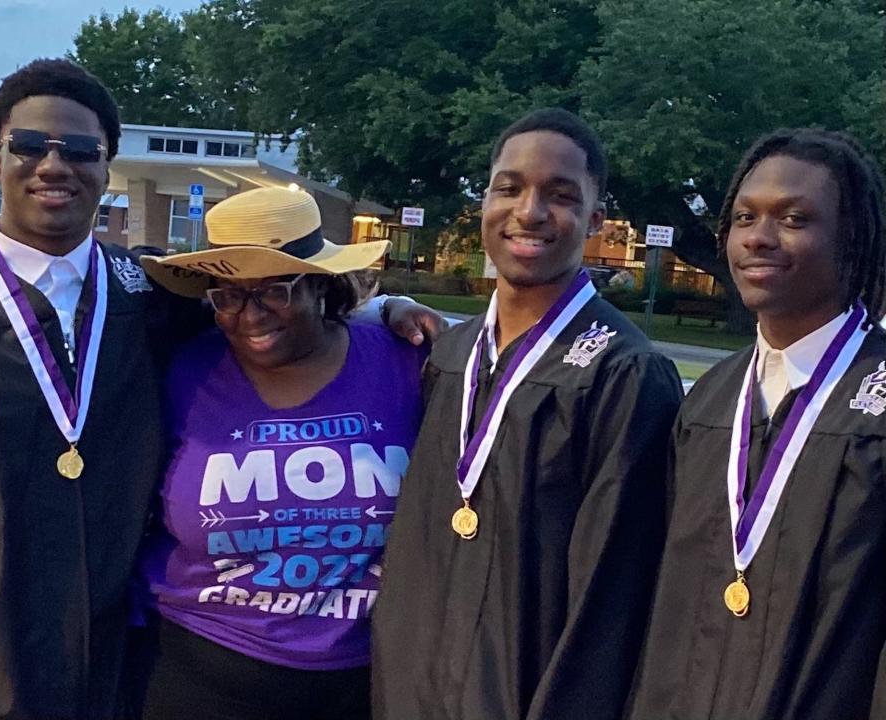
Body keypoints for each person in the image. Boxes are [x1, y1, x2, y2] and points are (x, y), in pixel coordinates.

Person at [0, 58, 441, 720]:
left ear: (105, 168)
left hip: (120, 649)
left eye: (80, 149)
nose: (54, 165)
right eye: (29, 145)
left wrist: (381, 311)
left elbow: (274, 323)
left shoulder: (148, 297)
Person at [371, 108, 683, 720]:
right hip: (413, 689)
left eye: (560, 195)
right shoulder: (452, 354)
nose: (530, 211)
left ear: (594, 221)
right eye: (508, 188)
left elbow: (612, 602)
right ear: (484, 203)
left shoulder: (624, 374)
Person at [132, 186, 426, 719]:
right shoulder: (181, 372)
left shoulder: (405, 364)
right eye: (228, 295)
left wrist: (390, 307)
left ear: (319, 284)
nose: (250, 315)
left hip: (364, 683)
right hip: (201, 674)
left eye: (274, 291)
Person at [625, 128, 886, 720]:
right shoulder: (710, 403)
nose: (758, 239)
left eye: (793, 219)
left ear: (850, 239)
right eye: (745, 217)